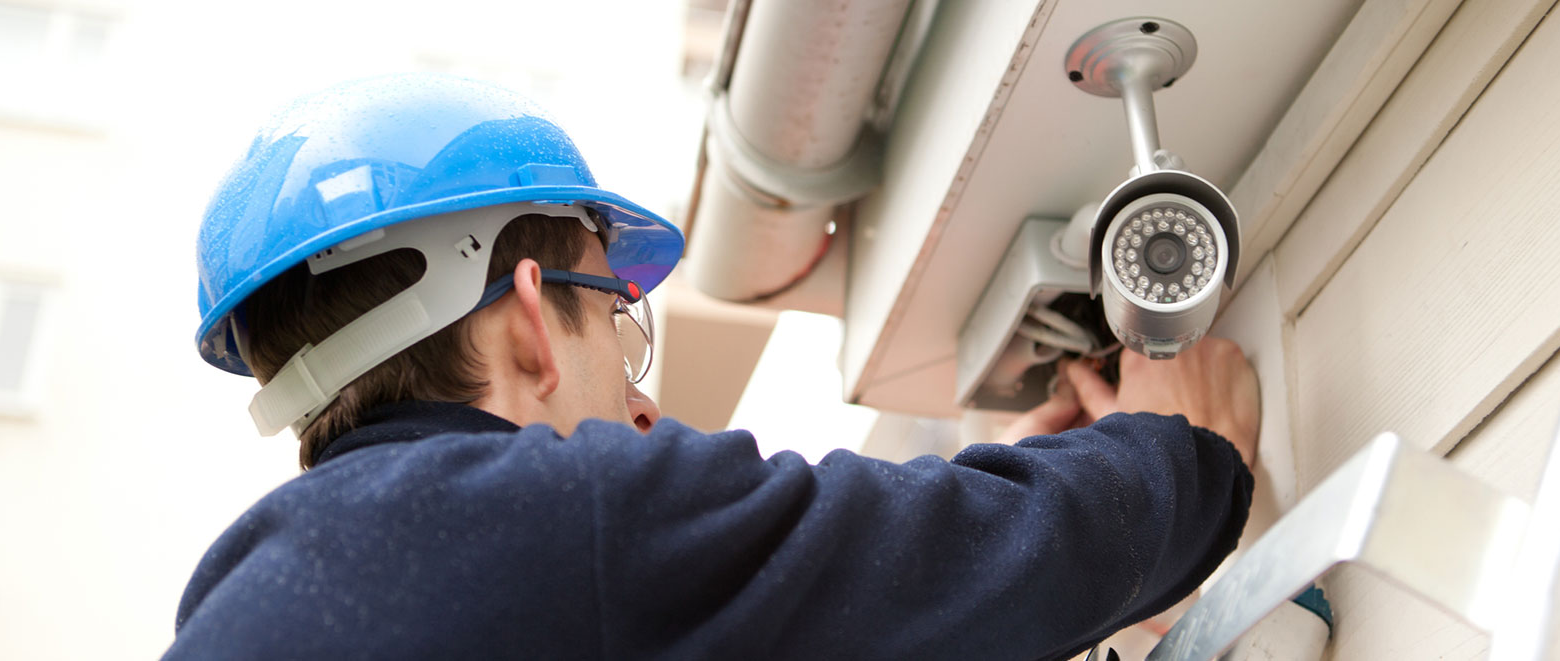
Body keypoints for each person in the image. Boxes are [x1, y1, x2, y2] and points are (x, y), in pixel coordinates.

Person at [165, 73, 1259, 660]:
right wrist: (1182, 450)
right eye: (617, 326)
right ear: (531, 328)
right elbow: (979, 559)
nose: (642, 408)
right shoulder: (551, 515)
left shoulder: (246, 593)